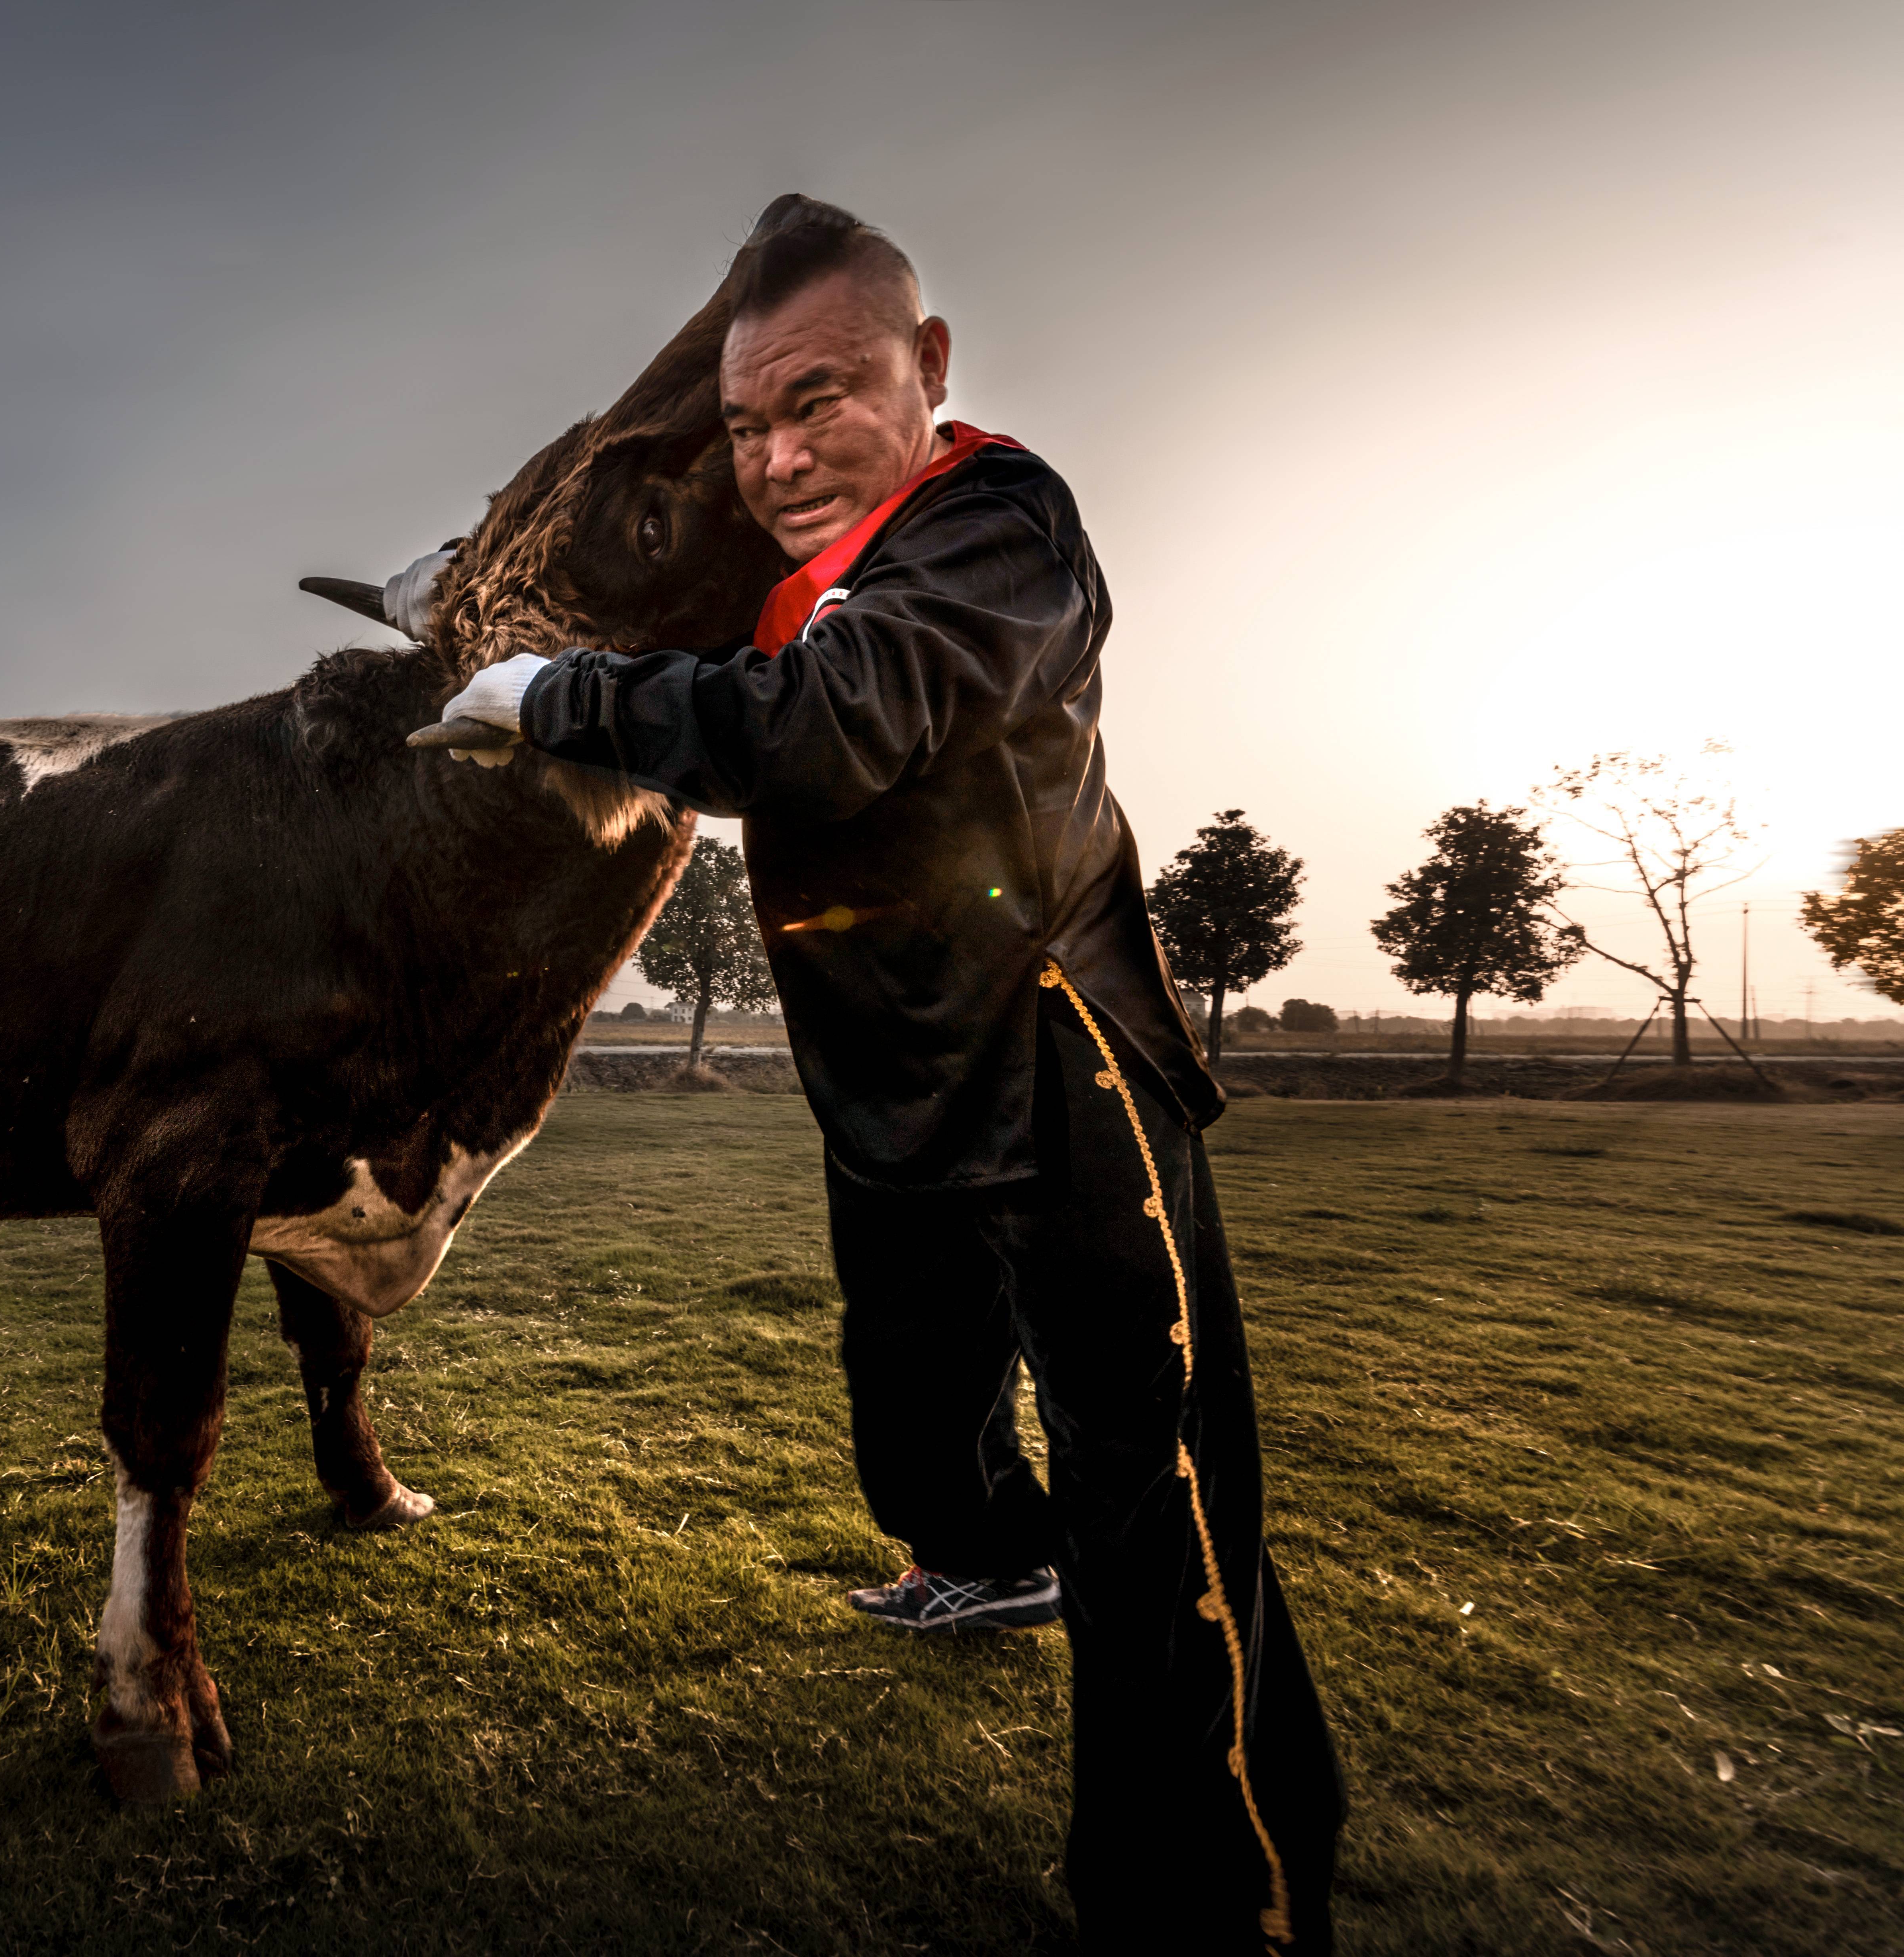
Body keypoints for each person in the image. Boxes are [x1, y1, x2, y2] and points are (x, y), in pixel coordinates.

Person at [415, 196, 1345, 1952]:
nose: (775, 456)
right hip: (885, 1081)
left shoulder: (997, 523)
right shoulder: (787, 576)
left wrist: (556, 695)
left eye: (817, 400)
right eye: (748, 423)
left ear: (925, 366)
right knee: (909, 1413)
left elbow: (823, 726)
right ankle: (989, 1549)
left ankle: (1214, 1895)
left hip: (1058, 1075)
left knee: (1156, 1504)